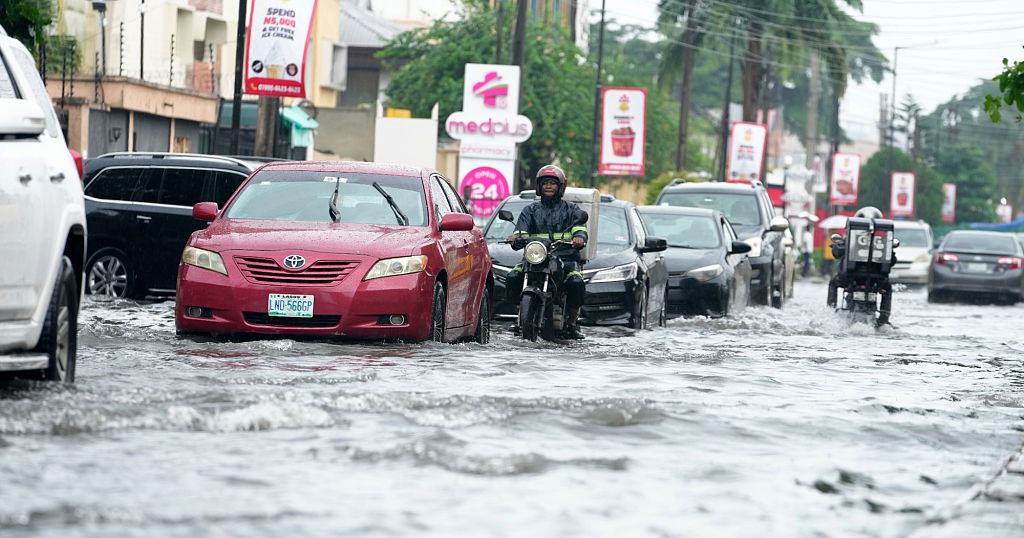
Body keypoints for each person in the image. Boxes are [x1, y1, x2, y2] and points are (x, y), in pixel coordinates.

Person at [504, 165, 589, 339]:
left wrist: (579, 238)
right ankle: (520, 315)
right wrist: (515, 237)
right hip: (535, 258)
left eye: (552, 183)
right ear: (539, 187)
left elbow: (580, 230)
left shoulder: (571, 210)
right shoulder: (530, 211)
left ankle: (572, 323)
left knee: (576, 282)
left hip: (566, 259)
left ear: (560, 187)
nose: (548, 186)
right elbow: (521, 233)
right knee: (513, 277)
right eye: (545, 183)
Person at [826, 206, 895, 325]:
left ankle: (830, 313)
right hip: (877, 281)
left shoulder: (851, 238)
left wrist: (837, 246)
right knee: (887, 288)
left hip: (849, 278)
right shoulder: (883, 241)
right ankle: (884, 319)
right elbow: (892, 260)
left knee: (833, 283)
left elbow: (837, 253)